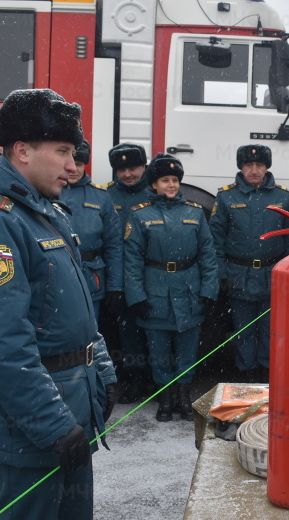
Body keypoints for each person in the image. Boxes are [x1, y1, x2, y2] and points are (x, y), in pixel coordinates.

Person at [0, 89, 117, 519]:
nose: (73, 167)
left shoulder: (41, 212)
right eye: (62, 152)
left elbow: (75, 311)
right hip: (31, 425)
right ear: (21, 151)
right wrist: (53, 426)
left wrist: (103, 372)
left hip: (69, 408)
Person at [123, 153, 218, 421]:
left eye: (175, 180)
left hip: (188, 290)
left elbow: (208, 257)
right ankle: (165, 399)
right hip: (156, 292)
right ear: (154, 184)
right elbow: (131, 261)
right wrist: (137, 296)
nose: (171, 185)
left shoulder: (195, 213)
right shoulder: (141, 215)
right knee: (160, 352)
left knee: (188, 350)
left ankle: (184, 397)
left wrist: (209, 291)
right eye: (165, 180)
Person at [208, 144, 289, 382]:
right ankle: (246, 376)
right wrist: (221, 273)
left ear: (267, 167)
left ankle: (267, 375)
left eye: (259, 165)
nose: (254, 170)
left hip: (272, 275)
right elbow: (216, 240)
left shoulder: (282, 196)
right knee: (243, 330)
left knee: (270, 330)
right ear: (241, 167)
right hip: (239, 275)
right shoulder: (226, 197)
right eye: (249, 165)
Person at [105, 142, 152, 403]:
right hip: (118, 274)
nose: (127, 174)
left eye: (133, 168)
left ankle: (152, 378)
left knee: (153, 330)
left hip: (149, 274)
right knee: (126, 331)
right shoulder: (106, 196)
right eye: (121, 169)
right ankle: (131, 380)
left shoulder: (153, 194)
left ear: (144, 167)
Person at [60, 139, 123, 322]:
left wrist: (115, 286)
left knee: (89, 335)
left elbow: (114, 245)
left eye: (79, 164)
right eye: (69, 162)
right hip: (57, 276)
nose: (73, 169)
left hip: (91, 279)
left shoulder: (101, 197)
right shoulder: (47, 192)